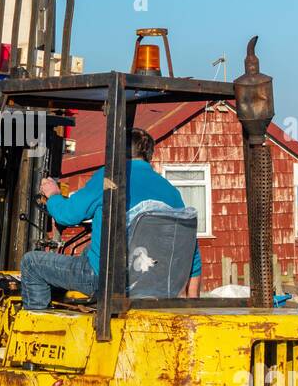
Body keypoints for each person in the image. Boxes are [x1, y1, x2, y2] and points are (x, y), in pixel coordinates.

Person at [20, 128, 202, 310]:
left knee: (31, 263)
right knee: (88, 251)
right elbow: (190, 249)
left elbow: (67, 215)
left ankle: (36, 334)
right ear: (149, 155)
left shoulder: (110, 178)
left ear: (117, 150)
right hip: (153, 283)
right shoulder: (170, 191)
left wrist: (53, 195)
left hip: (104, 279)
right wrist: (192, 303)